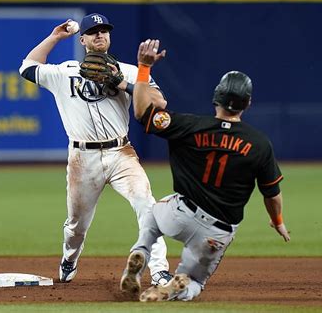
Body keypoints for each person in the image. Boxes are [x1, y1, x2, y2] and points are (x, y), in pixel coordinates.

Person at [119, 39, 290, 301]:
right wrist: (277, 221)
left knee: (153, 217)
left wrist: (144, 67)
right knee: (196, 281)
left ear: (216, 97)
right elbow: (272, 194)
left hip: (179, 214)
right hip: (216, 232)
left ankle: (141, 251)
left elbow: (142, 112)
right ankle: (178, 286)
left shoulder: (188, 126)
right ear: (248, 103)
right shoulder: (259, 144)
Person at [18, 14, 172, 285]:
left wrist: (122, 84)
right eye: (93, 32)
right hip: (82, 158)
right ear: (83, 39)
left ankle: (159, 270)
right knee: (77, 225)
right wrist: (55, 37)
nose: (100, 35)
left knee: (148, 208)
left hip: (121, 153)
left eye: (104, 31)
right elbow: (27, 67)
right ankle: (69, 258)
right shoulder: (65, 72)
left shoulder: (128, 71)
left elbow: (160, 101)